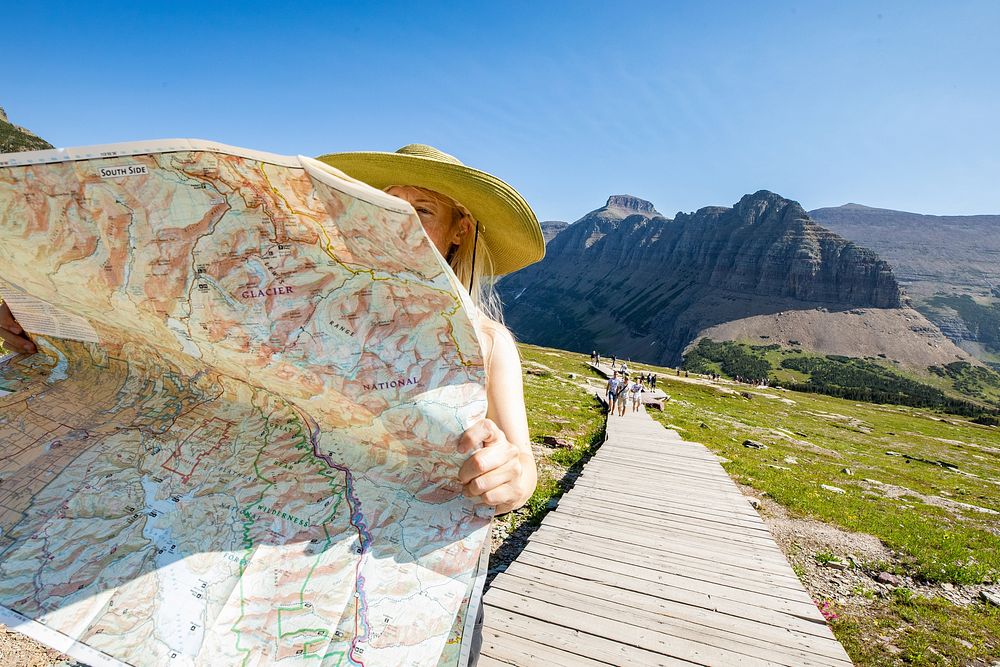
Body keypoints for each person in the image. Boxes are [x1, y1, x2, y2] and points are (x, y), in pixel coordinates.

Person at [4, 143, 544, 666]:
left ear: (459, 231)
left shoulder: (487, 343)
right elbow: (163, 338)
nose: (394, 226)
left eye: (419, 211)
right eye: (380, 209)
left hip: (383, 580)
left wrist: (511, 475)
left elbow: (522, 466)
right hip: (261, 560)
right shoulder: (287, 309)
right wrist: (44, 325)